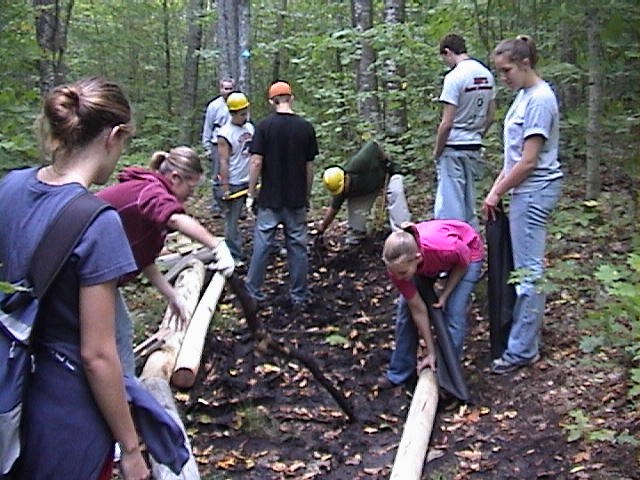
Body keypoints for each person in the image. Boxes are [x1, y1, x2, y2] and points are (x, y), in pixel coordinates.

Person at [0, 77, 149, 479]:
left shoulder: (9, 187)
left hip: (8, 387)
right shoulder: (98, 223)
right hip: (66, 410)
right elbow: (97, 354)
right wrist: (131, 450)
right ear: (113, 136)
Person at [97, 146, 235, 377]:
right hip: (79, 272)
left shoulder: (151, 193)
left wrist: (172, 296)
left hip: (99, 275)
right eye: (190, 187)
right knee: (106, 340)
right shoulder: (150, 191)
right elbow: (175, 218)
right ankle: (123, 395)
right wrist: (216, 245)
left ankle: (125, 389)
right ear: (175, 178)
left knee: (121, 333)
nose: (191, 194)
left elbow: (144, 259)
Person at [482, 35, 563, 375]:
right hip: (521, 189)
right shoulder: (523, 97)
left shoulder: (541, 100)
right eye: (500, 72)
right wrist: (497, 186)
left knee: (529, 273)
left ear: (525, 64)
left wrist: (498, 192)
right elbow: (513, 155)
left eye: (506, 70)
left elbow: (529, 161)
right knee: (520, 270)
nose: (504, 77)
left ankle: (522, 350)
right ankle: (518, 338)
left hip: (534, 190)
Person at [380, 220, 484, 388]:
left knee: (453, 311)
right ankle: (400, 373)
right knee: (405, 311)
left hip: (467, 252)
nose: (398, 278)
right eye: (394, 273)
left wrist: (445, 294)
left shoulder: (444, 249)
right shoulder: (397, 268)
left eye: (402, 273)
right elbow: (418, 309)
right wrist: (430, 352)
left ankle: (447, 378)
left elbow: (463, 261)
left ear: (417, 258)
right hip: (428, 263)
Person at [245, 81, 318, 308]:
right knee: (297, 247)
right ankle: (300, 296)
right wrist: (306, 194)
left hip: (270, 197)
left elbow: (256, 161)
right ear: (291, 98)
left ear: (271, 102)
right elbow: (309, 166)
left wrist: (250, 193)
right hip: (295, 198)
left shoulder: (264, 127)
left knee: (262, 244)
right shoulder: (306, 127)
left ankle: (252, 293)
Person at [433, 33, 496, 230]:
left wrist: (437, 151)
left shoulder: (454, 77)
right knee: (469, 206)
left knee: (450, 209)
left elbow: (447, 122)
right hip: (474, 145)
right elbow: (491, 115)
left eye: (444, 58)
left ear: (448, 52)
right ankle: (472, 256)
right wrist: (478, 134)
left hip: (453, 147)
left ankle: (453, 254)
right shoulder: (486, 74)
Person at [317, 140, 411, 245]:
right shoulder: (340, 189)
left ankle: (403, 233)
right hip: (367, 191)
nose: (343, 190)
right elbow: (333, 209)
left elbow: (374, 145)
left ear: (345, 176)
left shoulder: (357, 163)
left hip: (388, 175)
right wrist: (321, 229)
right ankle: (357, 237)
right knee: (356, 225)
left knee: (395, 192)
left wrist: (386, 161)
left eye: (343, 187)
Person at [217, 91, 254, 264]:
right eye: (241, 114)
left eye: (246, 112)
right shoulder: (225, 134)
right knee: (233, 219)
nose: (244, 116)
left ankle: (268, 246)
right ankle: (234, 253)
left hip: (252, 179)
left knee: (263, 213)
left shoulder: (250, 128)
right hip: (235, 181)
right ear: (232, 113)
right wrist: (225, 186)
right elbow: (223, 161)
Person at [201, 77, 235, 213]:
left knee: (234, 174)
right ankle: (217, 205)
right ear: (220, 89)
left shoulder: (239, 103)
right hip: (217, 143)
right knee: (217, 175)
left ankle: (235, 205)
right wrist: (207, 146)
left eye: (230, 88)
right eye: (225, 88)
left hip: (234, 143)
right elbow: (208, 126)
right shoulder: (214, 106)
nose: (227, 91)